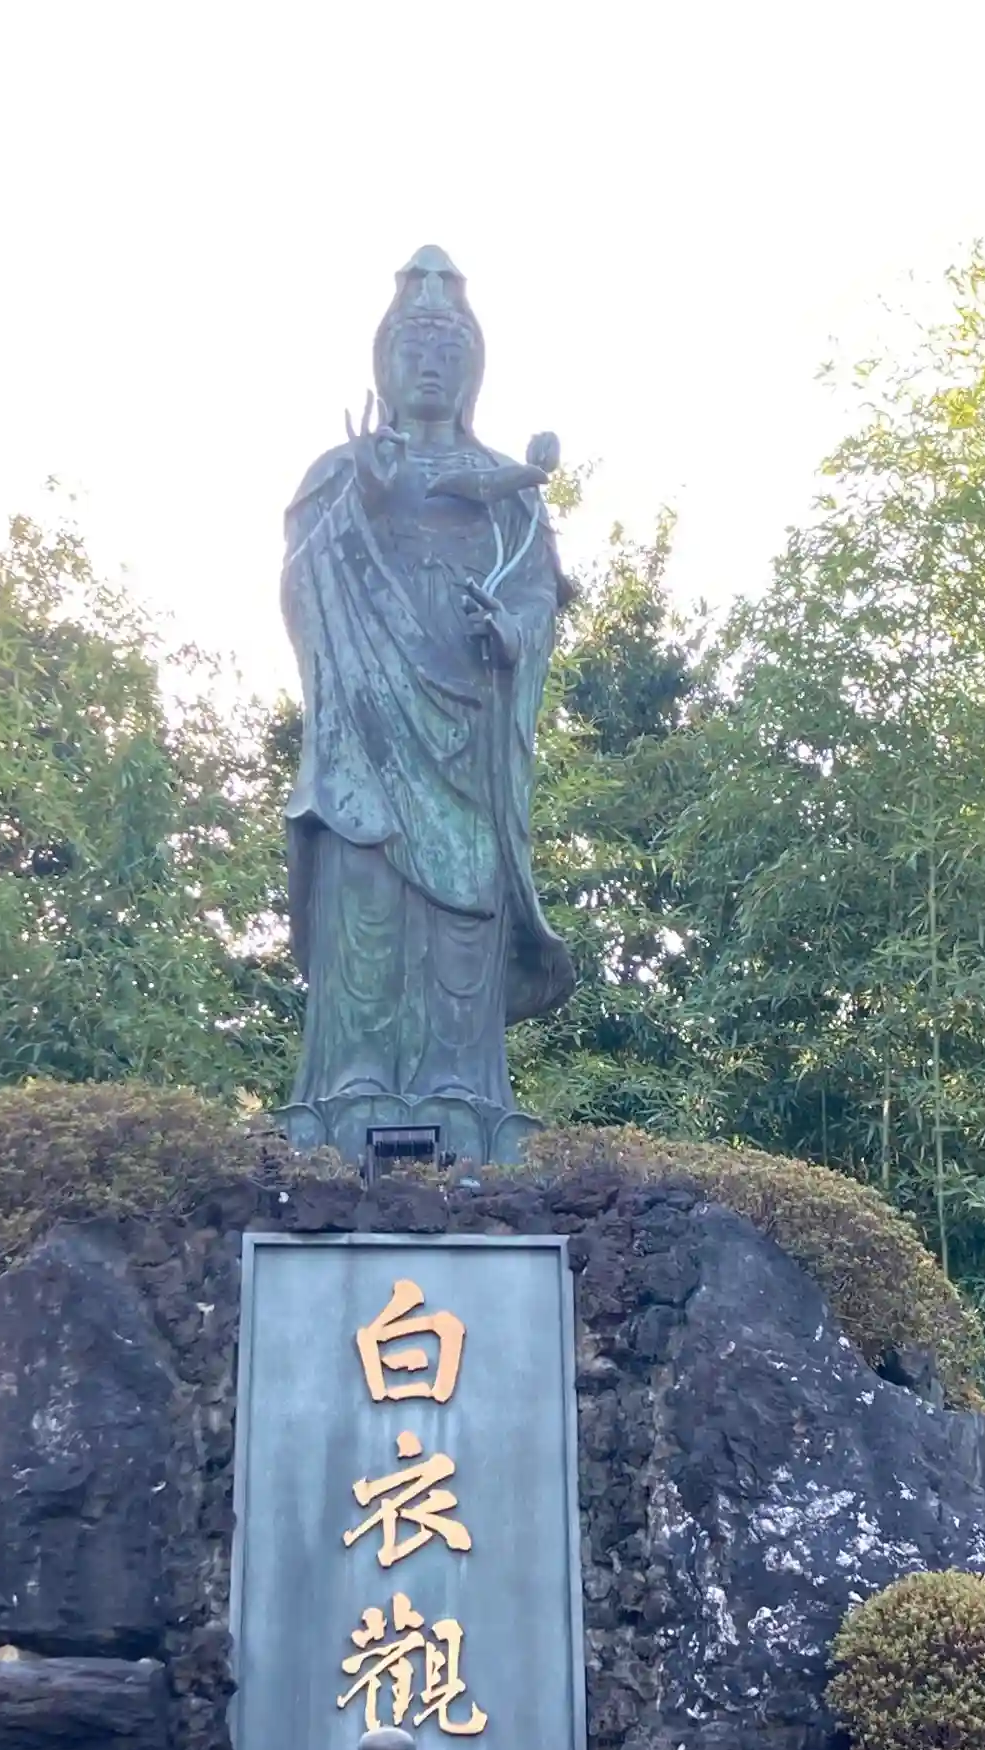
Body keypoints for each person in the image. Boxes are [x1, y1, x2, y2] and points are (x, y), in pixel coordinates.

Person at [279, 246, 574, 1164]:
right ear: (385, 361)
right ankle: (352, 1085)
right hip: (365, 739)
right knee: (366, 902)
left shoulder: (509, 494)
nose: (432, 366)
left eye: (449, 348)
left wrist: (511, 634)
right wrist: (359, 507)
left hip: (467, 743)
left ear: (474, 366)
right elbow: (299, 587)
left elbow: (537, 596)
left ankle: (460, 1089)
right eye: (415, 347)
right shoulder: (340, 473)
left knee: (463, 912)